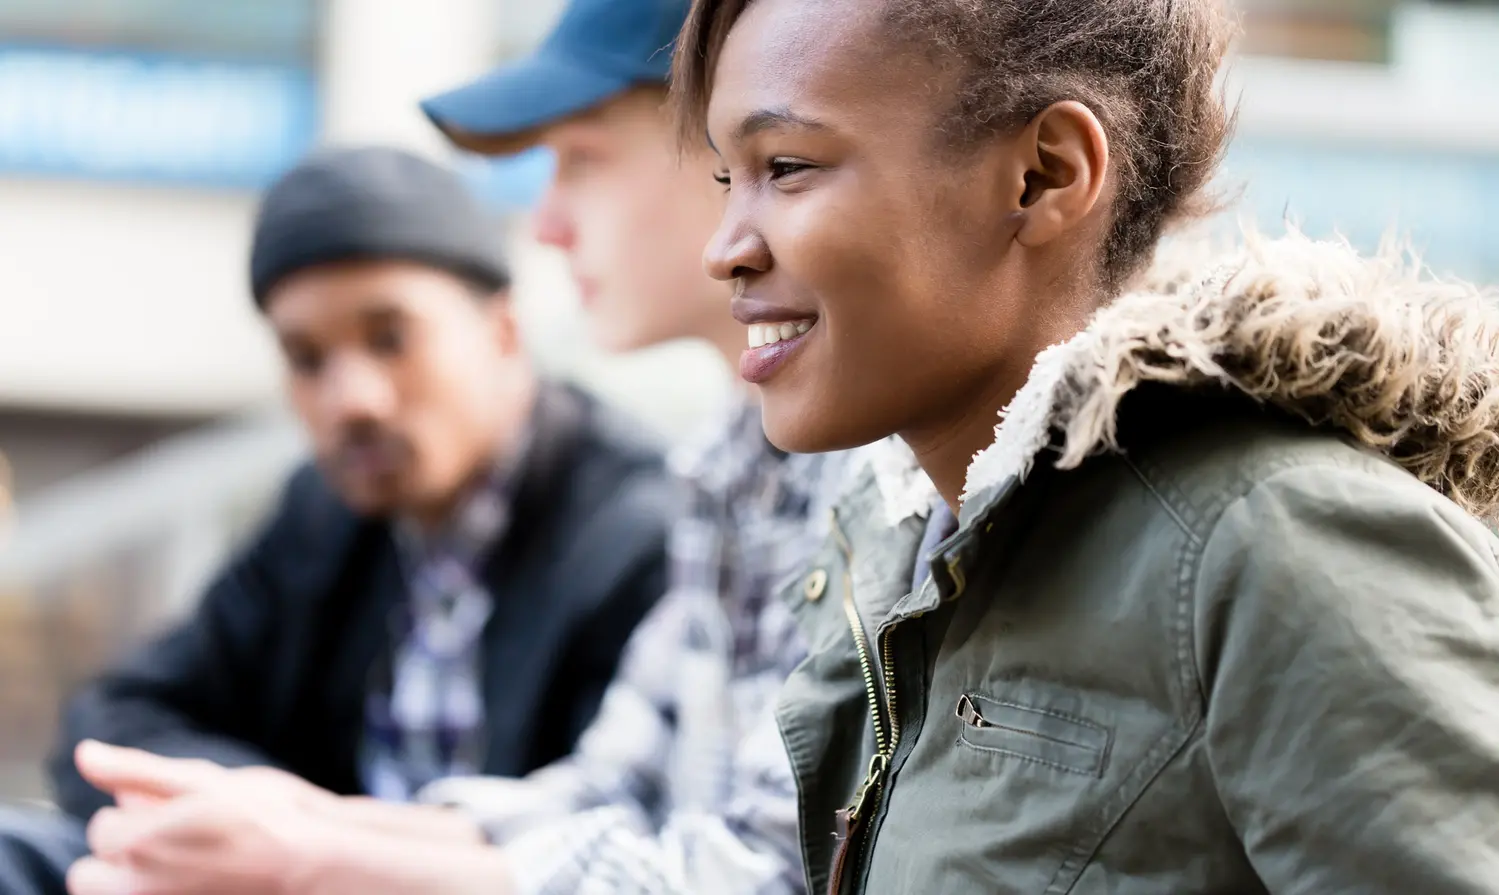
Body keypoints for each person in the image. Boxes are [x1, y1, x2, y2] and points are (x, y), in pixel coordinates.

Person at [672, 0, 1499, 892]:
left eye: (786, 167)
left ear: (1043, 175)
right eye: (728, 179)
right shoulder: (899, 549)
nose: (724, 251)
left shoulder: (1275, 544)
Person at [56, 0, 850, 892]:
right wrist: (284, 825)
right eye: (305, 359)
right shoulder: (724, 463)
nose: (543, 224)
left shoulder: (645, 515)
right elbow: (603, 794)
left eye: (579, 160)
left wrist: (307, 857)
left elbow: (758, 870)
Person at [0, 145, 672, 895]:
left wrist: (318, 842)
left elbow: (624, 837)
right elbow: (116, 714)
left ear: (503, 330)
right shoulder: (324, 516)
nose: (351, 399)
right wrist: (266, 823)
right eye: (306, 358)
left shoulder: (636, 533)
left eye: (391, 338)